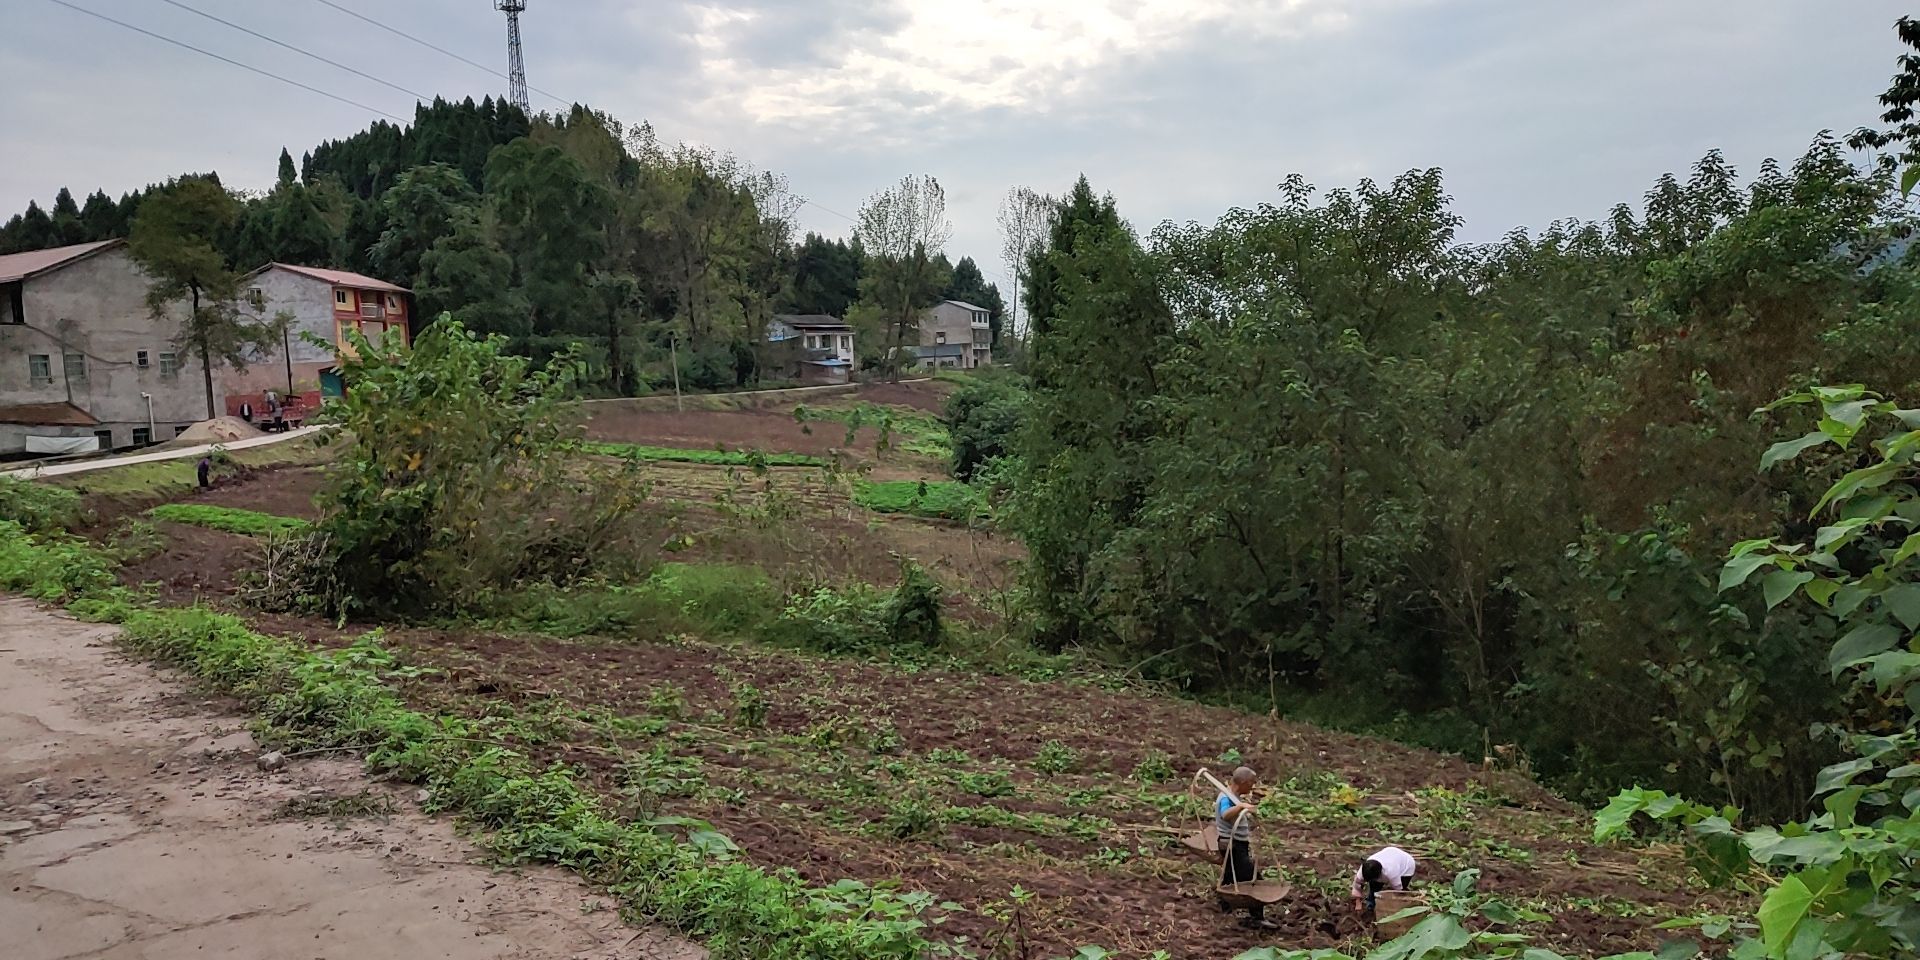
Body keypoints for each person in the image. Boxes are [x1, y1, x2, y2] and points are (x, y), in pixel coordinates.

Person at [1216, 766, 1277, 930]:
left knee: (1230, 875)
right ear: (1242, 782)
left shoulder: (1233, 797)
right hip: (1232, 844)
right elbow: (1225, 814)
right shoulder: (1226, 798)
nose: (1253, 786)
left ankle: (1225, 908)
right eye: (1251, 783)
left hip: (1234, 843)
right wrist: (1241, 807)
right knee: (1254, 879)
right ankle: (1257, 917)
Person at [1350, 845, 1418, 916]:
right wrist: (1358, 904)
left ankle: (1399, 910)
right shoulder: (1365, 868)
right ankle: (1371, 907)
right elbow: (1357, 886)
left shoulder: (1391, 871)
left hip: (1406, 866)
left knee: (1401, 892)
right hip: (1389, 853)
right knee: (1374, 888)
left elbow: (1398, 890)